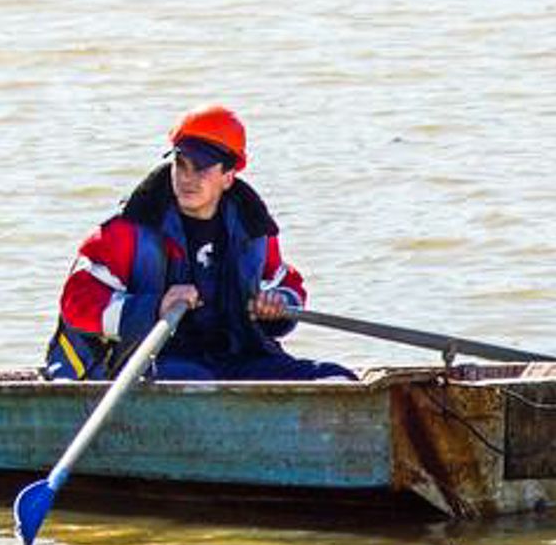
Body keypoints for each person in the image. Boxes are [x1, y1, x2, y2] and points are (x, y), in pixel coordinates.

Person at [45, 105, 353, 383]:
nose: (187, 178)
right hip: (151, 364)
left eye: (202, 168)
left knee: (338, 380)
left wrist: (278, 303)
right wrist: (155, 307)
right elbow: (76, 303)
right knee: (196, 383)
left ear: (229, 176)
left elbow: (287, 284)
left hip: (236, 358)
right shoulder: (128, 229)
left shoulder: (253, 227)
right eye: (181, 164)